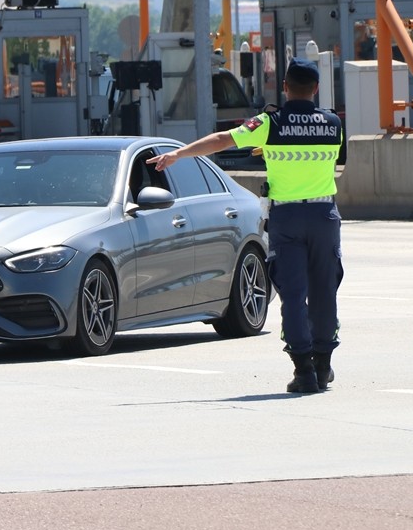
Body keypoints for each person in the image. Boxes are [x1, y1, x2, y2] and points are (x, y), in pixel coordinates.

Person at [147, 58, 344, 393]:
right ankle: (323, 366)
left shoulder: (271, 122)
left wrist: (180, 154)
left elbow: (223, 139)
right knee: (324, 291)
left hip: (287, 219)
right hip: (325, 218)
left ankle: (304, 370)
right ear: (316, 88)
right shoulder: (332, 124)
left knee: (293, 295)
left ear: (284, 87)